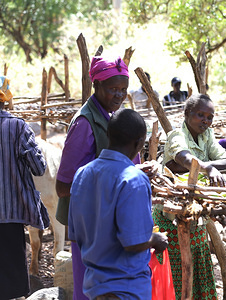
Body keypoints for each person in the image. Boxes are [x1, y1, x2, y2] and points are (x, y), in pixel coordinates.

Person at [55, 56, 149, 300]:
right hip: (92, 225)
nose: (119, 95)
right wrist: (109, 180)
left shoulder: (110, 116)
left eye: (123, 90)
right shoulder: (85, 123)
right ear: (96, 86)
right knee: (92, 289)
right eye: (112, 89)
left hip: (111, 219)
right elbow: (64, 186)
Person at [68, 109, 168, 299]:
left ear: (108, 135)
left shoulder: (82, 174)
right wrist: (156, 239)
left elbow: (74, 234)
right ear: (139, 143)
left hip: (94, 287)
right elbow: (133, 243)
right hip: (126, 288)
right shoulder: (133, 180)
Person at [156, 93, 226, 299]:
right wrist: (206, 167)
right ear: (187, 113)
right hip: (170, 220)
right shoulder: (176, 135)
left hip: (197, 219)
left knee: (199, 272)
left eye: (210, 117)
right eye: (200, 115)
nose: (206, 121)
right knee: (177, 275)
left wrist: (189, 167)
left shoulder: (207, 136)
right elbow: (182, 155)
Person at [0, 76, 50, 299]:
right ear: (6, 99)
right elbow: (39, 168)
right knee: (12, 281)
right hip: (11, 214)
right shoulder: (18, 128)